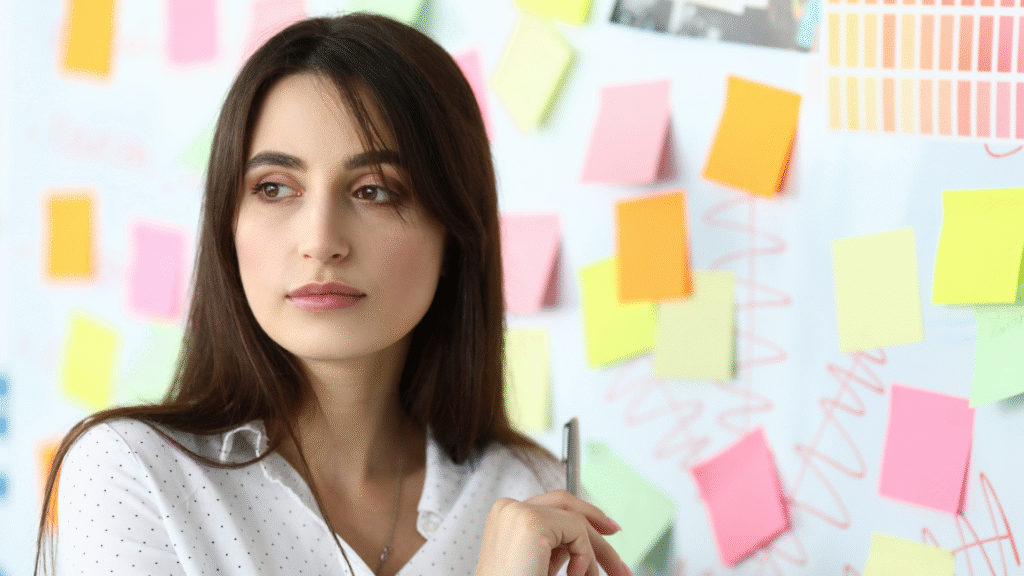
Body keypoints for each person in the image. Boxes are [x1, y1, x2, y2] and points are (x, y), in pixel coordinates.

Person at [33, 13, 632, 576]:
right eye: (274, 188)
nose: (320, 241)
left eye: (374, 190)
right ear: (227, 224)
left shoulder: (532, 491)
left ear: (452, 232)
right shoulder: (130, 473)